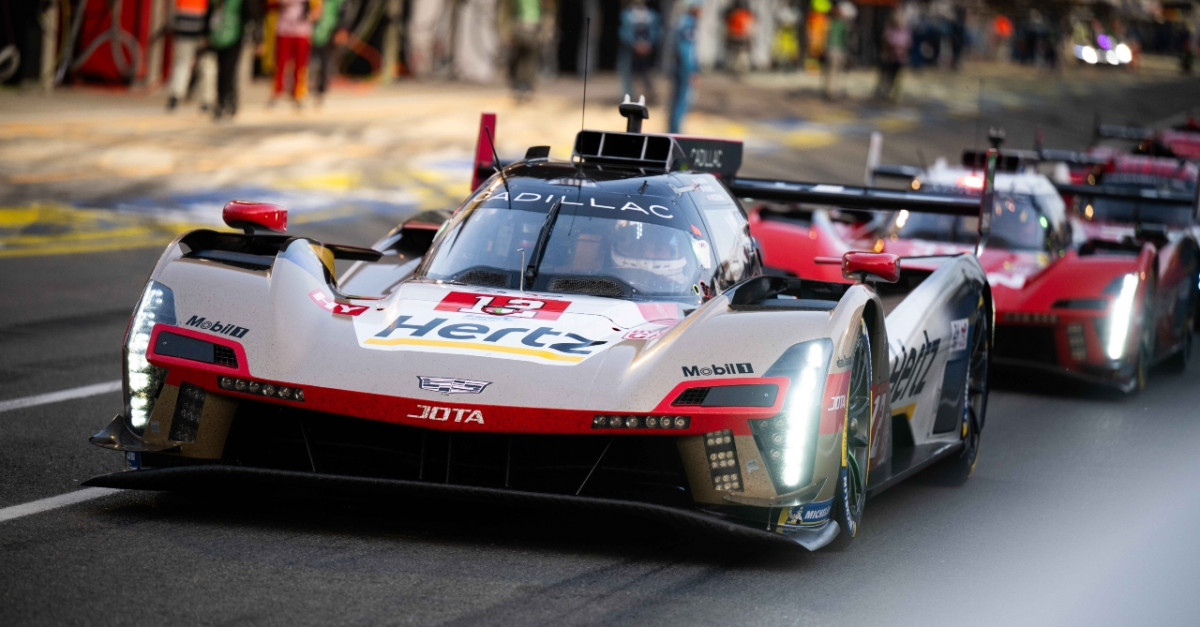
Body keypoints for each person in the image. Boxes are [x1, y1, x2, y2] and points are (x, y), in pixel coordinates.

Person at [209, 0, 263, 121]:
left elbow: (253, 15)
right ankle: (223, 101)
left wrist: (258, 39)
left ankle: (229, 101)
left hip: (235, 36)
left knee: (230, 69)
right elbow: (210, 13)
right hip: (218, 36)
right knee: (221, 70)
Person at [268, 0, 321, 108]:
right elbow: (269, 6)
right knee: (280, 63)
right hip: (284, 29)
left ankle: (298, 94)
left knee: (301, 65)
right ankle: (277, 93)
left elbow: (317, 9)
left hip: (302, 31)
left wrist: (310, 16)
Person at [165, 0, 215, 112]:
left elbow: (174, 13)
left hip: (184, 31)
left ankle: (175, 96)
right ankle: (206, 100)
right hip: (202, 34)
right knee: (207, 66)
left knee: (182, 64)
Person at [617, 0, 662, 104]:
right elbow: (623, 32)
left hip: (646, 52)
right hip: (630, 51)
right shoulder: (626, 15)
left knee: (647, 74)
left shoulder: (652, 15)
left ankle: (651, 97)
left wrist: (649, 44)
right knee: (627, 74)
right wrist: (634, 44)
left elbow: (657, 32)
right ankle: (628, 98)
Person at [309, 0, 352, 106]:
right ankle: (304, 88)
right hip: (311, 31)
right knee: (310, 62)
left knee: (325, 62)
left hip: (330, 32)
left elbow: (345, 12)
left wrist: (342, 29)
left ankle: (321, 91)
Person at [669, 0, 701, 134]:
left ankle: (673, 128)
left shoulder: (681, 21)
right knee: (682, 100)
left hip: (679, 65)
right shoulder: (688, 23)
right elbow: (686, 49)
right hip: (684, 67)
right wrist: (692, 70)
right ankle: (676, 130)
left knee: (676, 99)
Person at [507, 0, 542, 102]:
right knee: (529, 58)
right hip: (531, 24)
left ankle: (521, 86)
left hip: (522, 24)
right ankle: (525, 86)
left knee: (522, 57)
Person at [874, 10, 910, 103]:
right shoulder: (889, 30)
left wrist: (899, 48)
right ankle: (883, 93)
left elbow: (907, 44)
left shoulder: (904, 31)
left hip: (900, 58)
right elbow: (885, 43)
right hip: (889, 58)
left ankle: (894, 95)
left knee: (896, 77)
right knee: (886, 76)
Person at [821, 2, 850, 99]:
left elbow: (826, 36)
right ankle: (833, 91)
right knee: (835, 71)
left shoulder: (830, 23)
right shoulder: (841, 24)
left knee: (831, 71)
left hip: (832, 49)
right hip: (837, 49)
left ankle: (829, 90)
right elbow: (845, 39)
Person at [724, 0, 754, 77]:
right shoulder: (733, 14)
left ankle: (741, 68)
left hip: (742, 37)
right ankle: (735, 68)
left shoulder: (745, 14)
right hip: (736, 36)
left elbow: (749, 26)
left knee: (742, 55)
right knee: (735, 54)